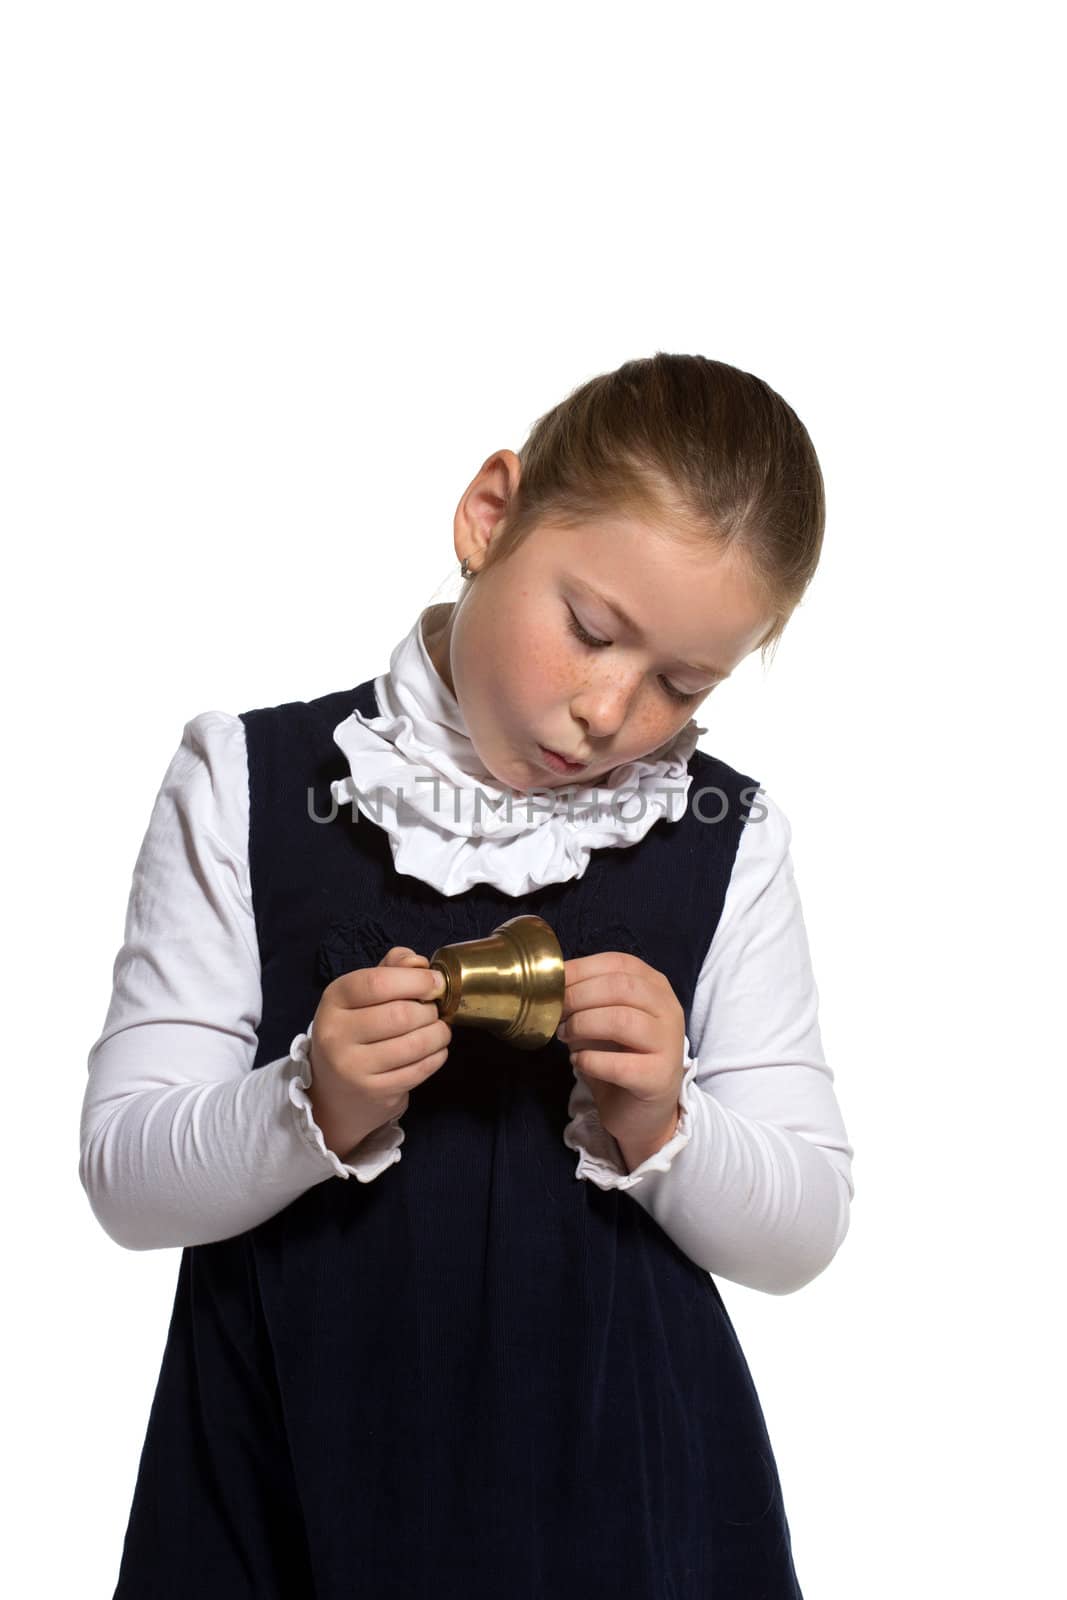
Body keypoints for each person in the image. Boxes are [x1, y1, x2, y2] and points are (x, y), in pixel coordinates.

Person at [81, 352, 855, 1599]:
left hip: (623, 1495)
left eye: (682, 684)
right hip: (283, 1473)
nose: (609, 709)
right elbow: (125, 1176)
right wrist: (309, 1101)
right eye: (589, 631)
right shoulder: (250, 782)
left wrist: (667, 1123)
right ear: (489, 514)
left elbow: (802, 1225)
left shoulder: (724, 834)